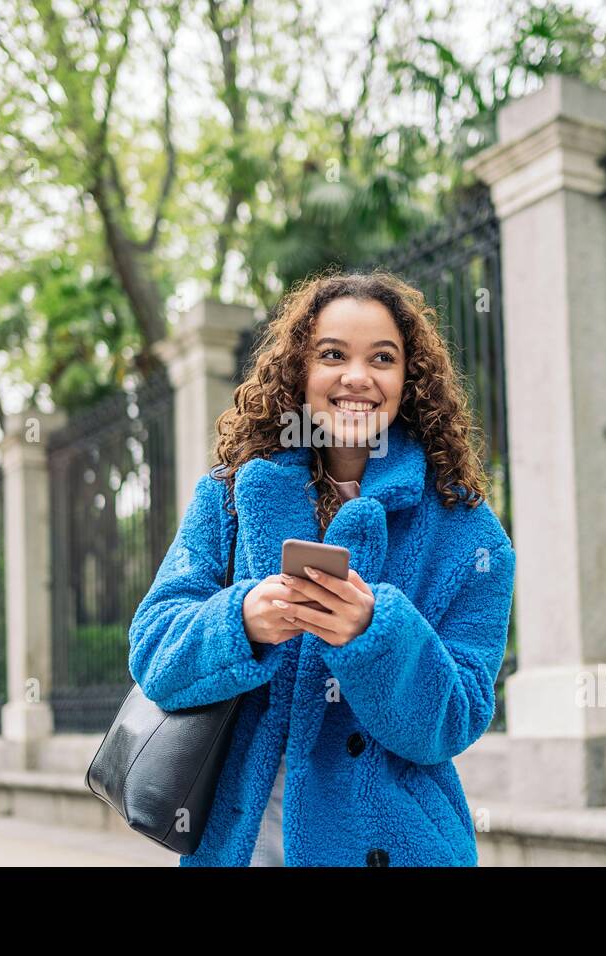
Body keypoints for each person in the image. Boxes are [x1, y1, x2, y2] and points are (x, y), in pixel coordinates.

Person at [127, 270, 516, 866]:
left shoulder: (467, 532)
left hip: (397, 847)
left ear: (408, 378)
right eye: (332, 354)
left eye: (382, 358)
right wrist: (243, 621)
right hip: (242, 843)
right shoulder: (229, 497)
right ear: (300, 373)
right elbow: (155, 653)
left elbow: (454, 721)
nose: (357, 377)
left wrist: (375, 635)